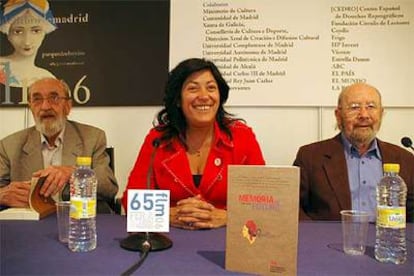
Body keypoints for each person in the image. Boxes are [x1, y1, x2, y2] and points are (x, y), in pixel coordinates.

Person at [122, 58, 265, 230]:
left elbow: (264, 201)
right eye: (193, 88)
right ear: (177, 99)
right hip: (172, 238)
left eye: (211, 88)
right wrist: (167, 214)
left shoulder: (241, 136)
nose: (204, 96)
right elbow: (132, 199)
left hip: (226, 238)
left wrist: (229, 216)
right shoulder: (159, 138)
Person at [293, 82, 414, 222]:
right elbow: (292, 207)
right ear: (338, 115)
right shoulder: (310, 156)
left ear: (381, 114)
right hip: (327, 242)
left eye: (371, 107)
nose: (364, 115)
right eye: (354, 107)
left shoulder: (405, 159)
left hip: (386, 240)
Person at [0, 77, 118, 213]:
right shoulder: (9, 145)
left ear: (68, 106)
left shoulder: (92, 138)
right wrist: (2, 196)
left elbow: (109, 188)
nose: (45, 107)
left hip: (76, 221)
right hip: (30, 225)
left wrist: (74, 173)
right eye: (37, 99)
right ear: (31, 107)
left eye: (54, 98)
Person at [0, 0, 56, 88]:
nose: (27, 41)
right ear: (8, 34)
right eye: (18, 31)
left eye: (35, 31)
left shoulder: (46, 77)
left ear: (44, 33)